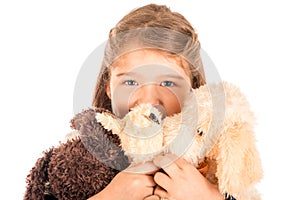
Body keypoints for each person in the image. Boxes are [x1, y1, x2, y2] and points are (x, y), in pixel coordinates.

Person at [24, 4, 237, 200]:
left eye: (168, 83)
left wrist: (209, 197)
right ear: (109, 88)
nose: (149, 100)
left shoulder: (217, 161)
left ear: (193, 90)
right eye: (131, 81)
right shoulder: (78, 159)